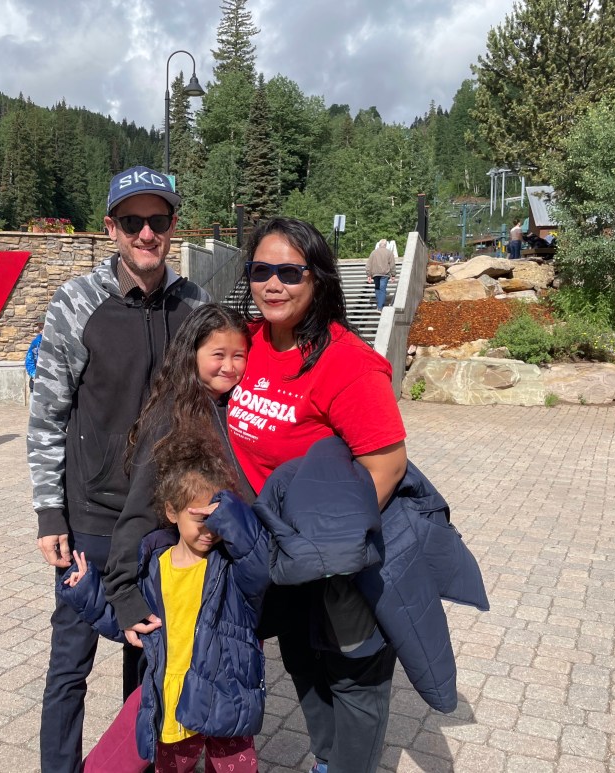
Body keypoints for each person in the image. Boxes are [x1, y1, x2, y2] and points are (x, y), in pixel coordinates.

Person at [27, 164, 210, 772]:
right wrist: (49, 513)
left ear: (174, 225)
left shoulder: (196, 306)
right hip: (91, 525)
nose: (147, 233)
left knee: (151, 667)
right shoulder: (77, 303)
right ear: (111, 228)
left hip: (161, 527)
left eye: (158, 220)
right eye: (133, 222)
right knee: (69, 669)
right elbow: (47, 415)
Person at [227, 217, 408, 773]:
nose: (273, 284)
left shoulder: (347, 363)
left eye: (290, 272)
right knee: (302, 662)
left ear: (319, 278)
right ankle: (326, 759)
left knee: (353, 679)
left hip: (333, 561)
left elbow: (387, 465)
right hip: (276, 554)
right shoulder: (246, 343)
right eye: (261, 270)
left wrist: (323, 549)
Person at [59, 434, 269, 772]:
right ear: (172, 511)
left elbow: (260, 565)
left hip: (227, 698)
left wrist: (233, 517)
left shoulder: (231, 567)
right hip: (171, 700)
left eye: (217, 519)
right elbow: (130, 624)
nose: (210, 530)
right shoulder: (155, 567)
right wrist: (87, 590)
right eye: (201, 519)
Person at [102, 302, 255, 648]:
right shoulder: (169, 417)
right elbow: (139, 508)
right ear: (191, 354)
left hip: (227, 580)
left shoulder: (241, 405)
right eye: (218, 355)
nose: (229, 367)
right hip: (182, 584)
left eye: (239, 356)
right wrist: (124, 594)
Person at [365, 238, 396, 311]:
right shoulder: (389, 252)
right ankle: (380, 307)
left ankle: (379, 305)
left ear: (379, 245)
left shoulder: (373, 252)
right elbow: (392, 265)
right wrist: (393, 275)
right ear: (385, 245)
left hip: (375, 274)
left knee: (377, 288)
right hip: (385, 274)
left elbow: (368, 264)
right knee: (382, 289)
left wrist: (369, 275)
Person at [25, 314, 44, 392]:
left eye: (44, 327)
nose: (42, 330)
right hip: (36, 382)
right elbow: (29, 360)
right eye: (40, 328)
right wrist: (33, 374)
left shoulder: (55, 342)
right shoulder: (35, 343)